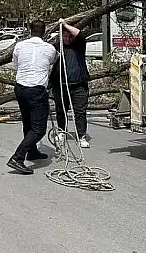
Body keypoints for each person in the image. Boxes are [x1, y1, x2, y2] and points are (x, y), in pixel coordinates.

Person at [6, 19, 58, 175]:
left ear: (30, 30)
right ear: (45, 32)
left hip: (21, 88)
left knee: (28, 123)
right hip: (36, 90)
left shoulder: (19, 46)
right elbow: (54, 62)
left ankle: (32, 151)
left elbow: (15, 65)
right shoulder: (50, 49)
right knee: (39, 128)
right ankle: (17, 157)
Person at [49, 19, 91, 149]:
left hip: (78, 85)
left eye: (69, 36)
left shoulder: (78, 46)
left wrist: (65, 24)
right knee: (61, 110)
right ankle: (62, 131)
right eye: (64, 36)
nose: (67, 39)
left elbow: (80, 35)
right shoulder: (56, 47)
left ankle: (81, 136)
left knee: (80, 111)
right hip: (60, 85)